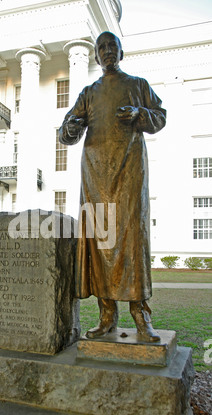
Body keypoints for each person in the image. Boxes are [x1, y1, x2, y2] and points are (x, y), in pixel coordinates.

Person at [59, 32, 166, 342]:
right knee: (98, 239)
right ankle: (107, 315)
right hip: (95, 172)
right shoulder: (88, 92)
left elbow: (159, 116)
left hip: (130, 170)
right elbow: (67, 130)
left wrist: (139, 114)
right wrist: (71, 126)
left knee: (132, 238)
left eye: (112, 46)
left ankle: (141, 315)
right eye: (101, 47)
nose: (107, 51)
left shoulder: (137, 85)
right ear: (96, 55)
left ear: (121, 52)